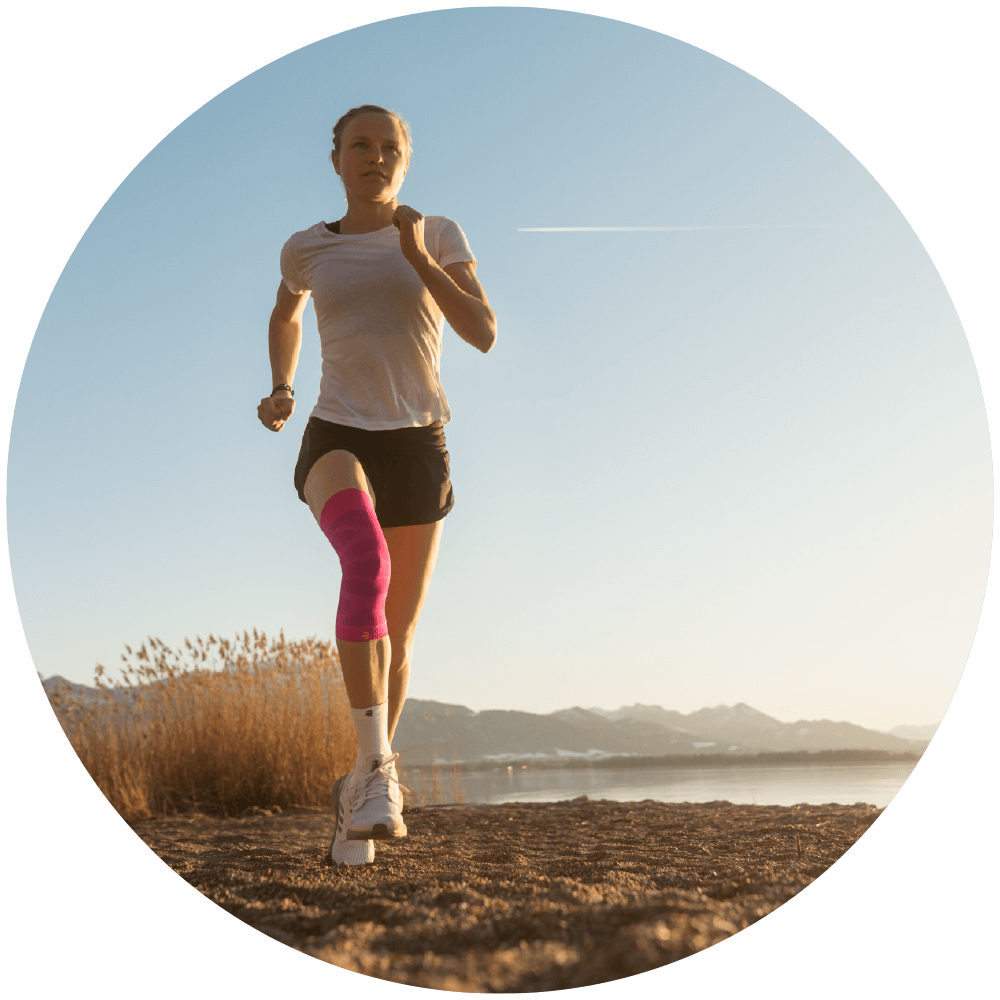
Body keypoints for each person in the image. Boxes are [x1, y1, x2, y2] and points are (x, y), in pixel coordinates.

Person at [257, 105, 496, 866]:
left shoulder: (440, 235)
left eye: (391, 146)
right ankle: (383, 773)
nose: (376, 156)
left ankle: (359, 786)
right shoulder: (307, 248)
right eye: (361, 144)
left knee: (400, 636)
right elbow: (285, 312)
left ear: (407, 160)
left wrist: (418, 256)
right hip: (337, 434)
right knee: (365, 564)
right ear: (335, 159)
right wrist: (281, 386)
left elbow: (484, 331)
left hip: (420, 444)